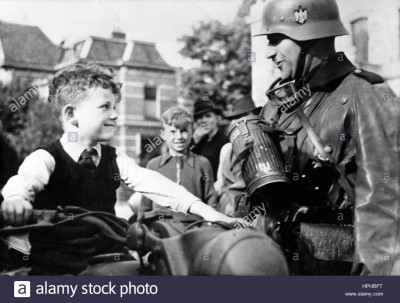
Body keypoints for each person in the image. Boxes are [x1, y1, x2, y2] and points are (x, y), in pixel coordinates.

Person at [0, 63, 242, 275]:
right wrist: (15, 200)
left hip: (109, 258)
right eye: (105, 107)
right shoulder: (46, 158)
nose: (115, 115)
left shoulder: (113, 158)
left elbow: (154, 183)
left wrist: (208, 212)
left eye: (115, 107)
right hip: (59, 267)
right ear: (72, 114)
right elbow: (23, 181)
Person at [255, 0, 400, 275]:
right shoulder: (278, 104)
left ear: (308, 37)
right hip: (278, 261)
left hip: (338, 269)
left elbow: (385, 205)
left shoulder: (366, 94)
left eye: (275, 40)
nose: (268, 53)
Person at [130, 106, 217, 215]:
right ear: (163, 134)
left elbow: (211, 202)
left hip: (194, 227)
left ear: (192, 132)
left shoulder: (203, 163)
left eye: (184, 131)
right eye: (172, 132)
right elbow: (145, 207)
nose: (179, 136)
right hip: (161, 227)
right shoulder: (154, 165)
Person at [214, 96, 261, 216]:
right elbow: (220, 182)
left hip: (255, 206)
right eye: (233, 118)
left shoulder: (263, 143)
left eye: (240, 117)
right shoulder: (227, 149)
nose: (234, 122)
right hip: (228, 205)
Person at [192, 101, 229, 179]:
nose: (204, 120)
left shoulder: (224, 141)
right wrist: (194, 141)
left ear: (216, 118)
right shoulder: (196, 140)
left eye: (208, 116)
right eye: (200, 117)